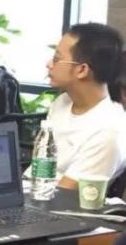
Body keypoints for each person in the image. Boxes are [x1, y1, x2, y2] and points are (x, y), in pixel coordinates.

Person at [41, 22, 126, 190]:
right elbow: (40, 164)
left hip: (62, 203)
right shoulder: (62, 102)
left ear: (82, 70)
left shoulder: (109, 131)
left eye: (57, 59)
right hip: (34, 192)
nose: (49, 64)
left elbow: (66, 194)